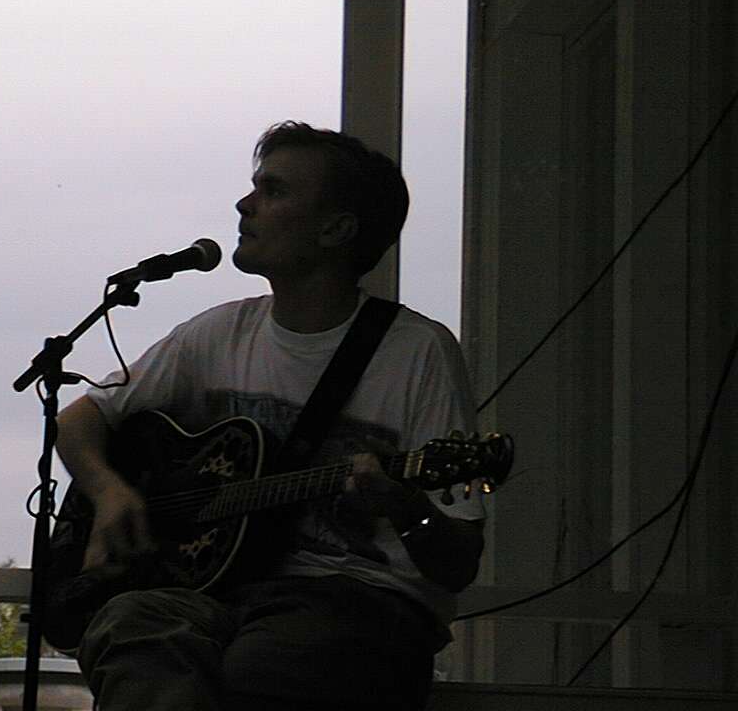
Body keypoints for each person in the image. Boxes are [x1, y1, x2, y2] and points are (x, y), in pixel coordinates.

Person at [52, 121, 486, 710]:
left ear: (335, 229)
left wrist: (406, 507)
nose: (245, 204)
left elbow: (458, 562)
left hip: (358, 599)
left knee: (265, 665)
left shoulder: (416, 352)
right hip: (216, 593)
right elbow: (80, 418)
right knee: (131, 627)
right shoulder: (218, 333)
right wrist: (109, 492)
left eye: (274, 191)